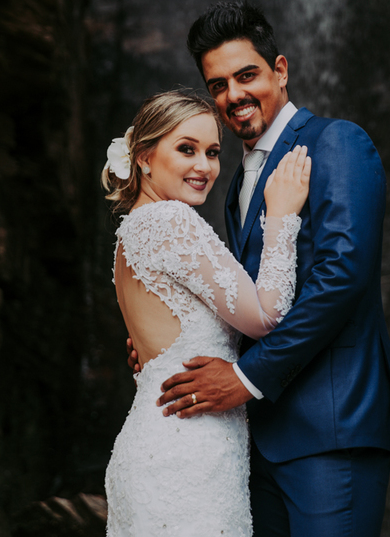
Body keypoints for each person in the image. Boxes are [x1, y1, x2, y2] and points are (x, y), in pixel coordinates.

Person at [150, 2, 390, 537]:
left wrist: (246, 379)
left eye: (247, 75)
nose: (234, 95)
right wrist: (169, 334)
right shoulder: (231, 181)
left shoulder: (337, 141)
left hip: (330, 429)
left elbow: (342, 275)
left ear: (281, 70)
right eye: (217, 84)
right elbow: (247, 298)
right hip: (256, 437)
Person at [101, 89, 313, 537]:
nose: (204, 167)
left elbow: (159, 352)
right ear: (143, 156)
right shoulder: (170, 222)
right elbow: (265, 316)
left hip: (157, 442)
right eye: (187, 149)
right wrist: (282, 215)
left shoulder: (130, 233)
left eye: (214, 152)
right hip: (188, 453)